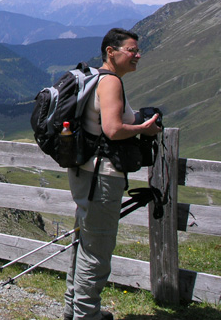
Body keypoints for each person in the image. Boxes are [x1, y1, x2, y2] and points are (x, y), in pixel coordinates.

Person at [63, 28, 162, 320]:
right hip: (102, 178)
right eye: (131, 50)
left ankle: (75, 308)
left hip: (86, 174)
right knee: (98, 248)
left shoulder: (93, 78)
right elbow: (113, 129)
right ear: (111, 51)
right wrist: (146, 129)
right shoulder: (110, 83)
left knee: (85, 242)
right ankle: (87, 315)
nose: (137, 55)